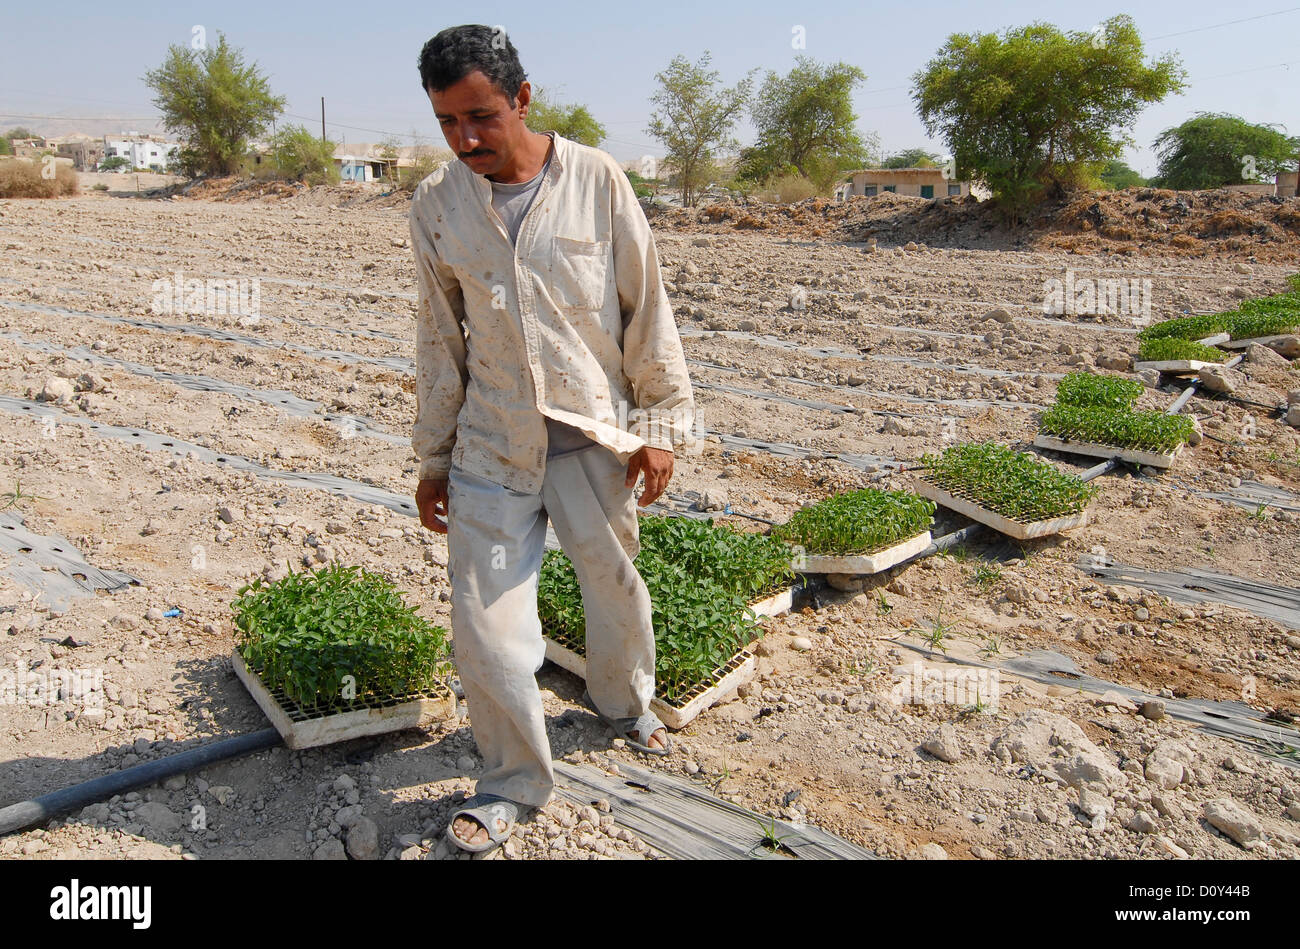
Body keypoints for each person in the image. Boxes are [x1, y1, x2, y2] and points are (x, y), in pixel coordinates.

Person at [410, 24, 695, 854]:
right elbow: (440, 339)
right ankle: (509, 780)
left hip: (592, 440)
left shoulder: (598, 181)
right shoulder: (435, 206)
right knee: (487, 626)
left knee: (612, 589)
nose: (465, 140)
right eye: (446, 124)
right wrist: (433, 457)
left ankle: (624, 704)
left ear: (523, 99)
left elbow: (648, 306)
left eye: (480, 118)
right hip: (491, 451)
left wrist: (660, 424)